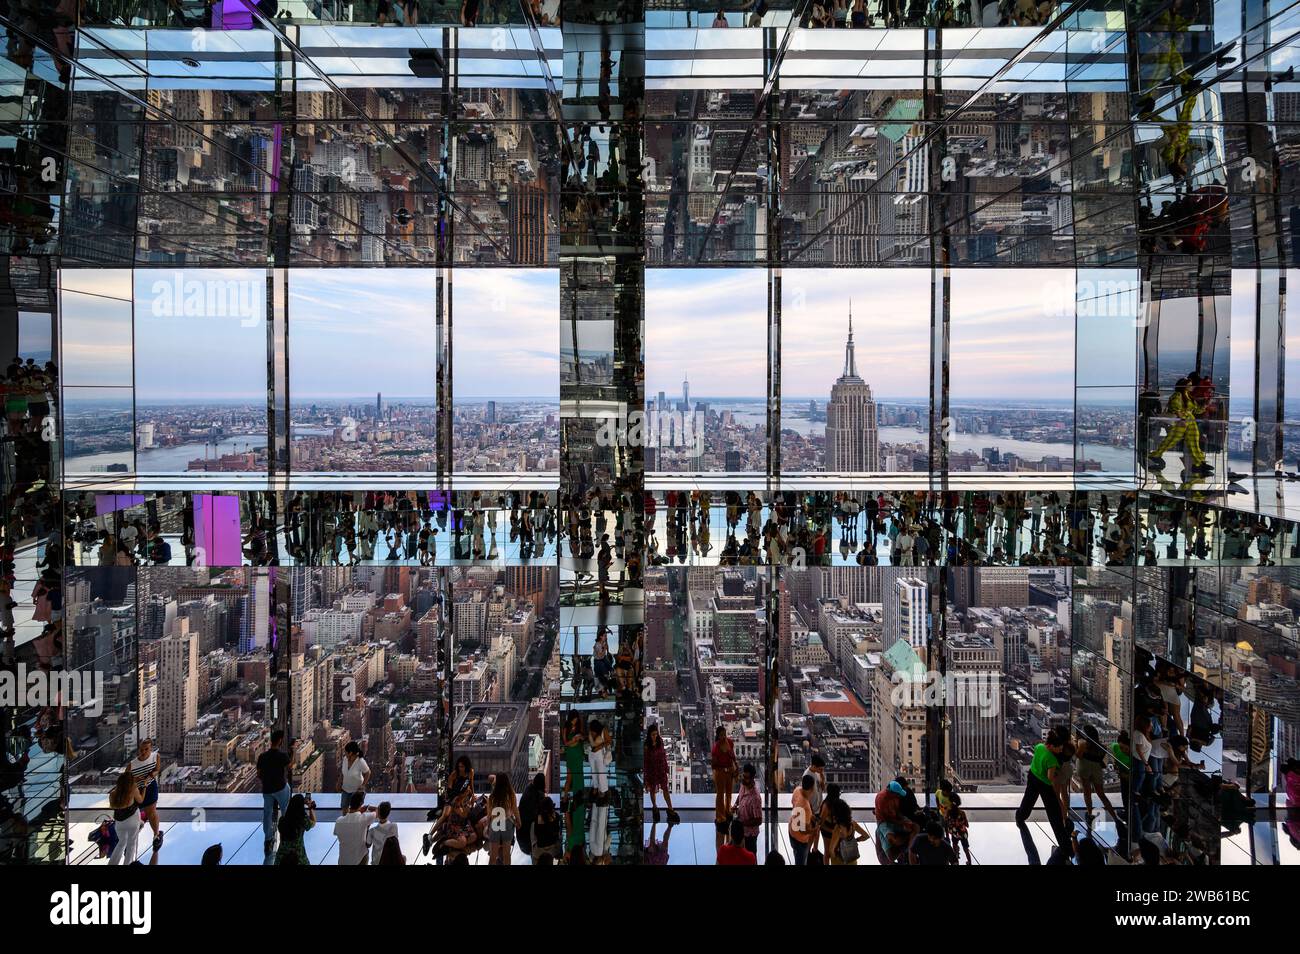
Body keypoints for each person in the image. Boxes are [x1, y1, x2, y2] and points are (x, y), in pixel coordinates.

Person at [1014, 730, 1072, 860]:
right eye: (1059, 747)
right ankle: (1065, 845)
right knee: (1054, 814)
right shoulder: (1052, 759)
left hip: (1033, 776)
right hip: (1044, 784)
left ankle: (1020, 817)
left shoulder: (1040, 747)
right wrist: (1056, 773)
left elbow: (1037, 759)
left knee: (1028, 801)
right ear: (1051, 746)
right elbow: (1050, 778)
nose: (1061, 749)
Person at [256, 729, 292, 850]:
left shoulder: (262, 756)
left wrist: (267, 780)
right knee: (285, 811)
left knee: (267, 813)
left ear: (271, 741)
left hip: (267, 789)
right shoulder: (282, 756)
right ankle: (286, 835)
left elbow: (259, 774)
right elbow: (291, 767)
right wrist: (295, 751)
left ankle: (268, 839)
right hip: (280, 788)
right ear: (280, 741)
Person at [127, 738, 163, 851]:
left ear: (151, 748)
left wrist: (152, 775)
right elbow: (125, 779)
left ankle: (156, 835)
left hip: (151, 787)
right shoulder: (132, 765)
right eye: (141, 750)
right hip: (137, 789)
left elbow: (157, 769)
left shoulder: (155, 757)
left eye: (146, 749)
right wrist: (136, 779)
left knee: (151, 812)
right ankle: (130, 838)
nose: (143, 752)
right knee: (133, 814)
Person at [107, 771, 145, 865]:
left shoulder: (113, 794)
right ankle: (127, 863)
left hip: (120, 823)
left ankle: (112, 863)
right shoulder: (133, 789)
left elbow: (112, 806)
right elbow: (140, 800)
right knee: (131, 843)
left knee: (121, 843)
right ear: (130, 782)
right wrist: (144, 787)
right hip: (133, 819)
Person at [643, 723, 679, 823]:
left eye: (656, 734)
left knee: (665, 789)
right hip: (652, 771)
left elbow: (664, 756)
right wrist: (646, 777)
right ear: (649, 735)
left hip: (661, 770)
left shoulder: (660, 742)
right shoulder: (646, 746)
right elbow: (645, 763)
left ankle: (670, 809)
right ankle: (655, 807)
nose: (655, 736)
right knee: (652, 790)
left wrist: (666, 768)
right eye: (653, 734)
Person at [486, 772, 522, 865]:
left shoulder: (492, 796)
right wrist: (518, 821)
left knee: (493, 856)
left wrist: (487, 826)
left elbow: (489, 813)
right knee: (507, 855)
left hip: (495, 824)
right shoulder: (510, 794)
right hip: (507, 823)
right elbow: (515, 810)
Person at [334, 791, 376, 865]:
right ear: (361, 803)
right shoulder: (364, 819)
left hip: (343, 860)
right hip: (360, 859)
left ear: (350, 803)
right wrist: (368, 807)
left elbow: (336, 833)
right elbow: (379, 810)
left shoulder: (339, 821)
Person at [275, 794, 316, 866]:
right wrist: (310, 808)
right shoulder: (303, 820)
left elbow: (281, 837)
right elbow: (313, 823)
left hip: (282, 855)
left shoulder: (282, 820)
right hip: (298, 855)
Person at [827, 799, 869, 865]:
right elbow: (866, 836)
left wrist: (834, 858)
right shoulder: (853, 824)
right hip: (852, 860)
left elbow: (831, 850)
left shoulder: (838, 829)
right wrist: (856, 840)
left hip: (839, 860)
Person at [711, 726, 738, 827]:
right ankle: (720, 815)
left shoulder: (730, 743)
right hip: (720, 772)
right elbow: (713, 764)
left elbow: (733, 756)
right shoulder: (716, 748)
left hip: (729, 771)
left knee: (729, 792)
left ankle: (727, 810)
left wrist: (735, 766)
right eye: (721, 735)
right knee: (720, 794)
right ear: (718, 736)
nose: (723, 737)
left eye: (724, 734)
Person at [789, 773, 817, 865]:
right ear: (812, 788)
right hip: (800, 840)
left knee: (796, 854)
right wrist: (813, 831)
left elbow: (794, 804)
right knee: (800, 861)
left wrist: (809, 817)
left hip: (791, 831)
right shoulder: (805, 807)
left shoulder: (797, 790)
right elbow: (802, 830)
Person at [517, 772, 546, 857]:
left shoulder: (528, 789)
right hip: (528, 834)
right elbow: (540, 812)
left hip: (522, 831)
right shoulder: (538, 794)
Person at [735, 763, 762, 854]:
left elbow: (758, 820)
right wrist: (735, 804)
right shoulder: (743, 784)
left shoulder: (755, 798)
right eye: (743, 776)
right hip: (742, 832)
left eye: (747, 777)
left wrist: (742, 823)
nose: (744, 779)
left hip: (750, 835)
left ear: (752, 778)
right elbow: (740, 795)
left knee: (751, 857)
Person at [339, 741, 371, 812]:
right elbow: (343, 772)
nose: (345, 753)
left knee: (356, 810)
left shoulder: (360, 761)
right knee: (344, 807)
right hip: (345, 789)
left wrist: (363, 785)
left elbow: (368, 772)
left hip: (356, 791)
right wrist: (339, 782)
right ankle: (346, 822)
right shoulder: (345, 759)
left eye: (346, 752)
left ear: (350, 753)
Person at [531, 796, 562, 864]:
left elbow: (533, 837)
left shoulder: (536, 819)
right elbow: (559, 835)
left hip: (538, 852)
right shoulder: (556, 816)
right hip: (553, 851)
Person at [367, 801, 399, 866]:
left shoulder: (372, 831)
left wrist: (368, 825)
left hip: (376, 861)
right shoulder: (394, 826)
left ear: (377, 814)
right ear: (388, 813)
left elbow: (368, 845)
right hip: (390, 860)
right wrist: (379, 810)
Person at [587, 717, 612, 795]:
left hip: (600, 753)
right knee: (593, 771)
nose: (591, 730)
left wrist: (599, 747)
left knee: (601, 772)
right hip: (591, 753)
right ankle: (596, 787)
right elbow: (590, 742)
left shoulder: (603, 730)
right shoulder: (590, 731)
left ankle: (603, 789)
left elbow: (609, 741)